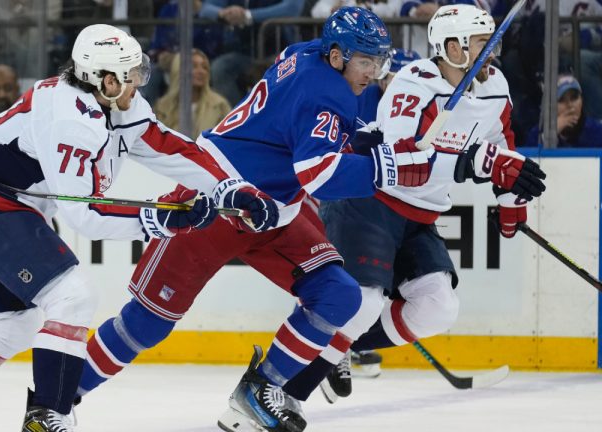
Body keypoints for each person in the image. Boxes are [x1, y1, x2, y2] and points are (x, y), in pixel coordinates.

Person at [0, 24, 274, 432]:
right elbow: (86, 215)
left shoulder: (116, 103)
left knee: (16, 326)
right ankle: (47, 416)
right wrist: (160, 219)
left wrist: (231, 188)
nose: (139, 82)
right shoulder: (72, 122)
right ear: (108, 80)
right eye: (133, 74)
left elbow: (168, 147)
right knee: (73, 296)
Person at [75, 8, 437, 432]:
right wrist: (386, 168)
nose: (374, 72)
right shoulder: (327, 91)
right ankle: (59, 396)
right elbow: (318, 173)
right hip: (216, 199)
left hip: (273, 210)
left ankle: (261, 389)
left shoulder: (306, 54)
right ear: (337, 56)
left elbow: (315, 130)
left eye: (379, 63)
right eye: (366, 62)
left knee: (339, 294)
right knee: (145, 322)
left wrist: (369, 134)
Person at [279, 4, 547, 406]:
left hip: (420, 214)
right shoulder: (415, 83)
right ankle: (286, 392)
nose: (492, 52)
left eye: (494, 42)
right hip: (369, 203)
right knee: (366, 301)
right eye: (481, 44)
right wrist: (478, 162)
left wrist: (511, 201)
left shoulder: (495, 88)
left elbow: (502, 146)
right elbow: (400, 162)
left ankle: (340, 345)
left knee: (438, 307)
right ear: (453, 47)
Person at [154, 49, 233, 138]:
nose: (201, 71)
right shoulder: (162, 107)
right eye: (194, 66)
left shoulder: (220, 105)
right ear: (179, 70)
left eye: (204, 67)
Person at [524, 74, 602, 148]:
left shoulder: (597, 131)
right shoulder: (537, 134)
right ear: (551, 105)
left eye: (574, 98)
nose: (570, 105)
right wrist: (551, 134)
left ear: (582, 100)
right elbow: (529, 158)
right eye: (562, 100)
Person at [357, 47, 421, 124]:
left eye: (412, 81)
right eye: (401, 79)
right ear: (382, 80)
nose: (407, 87)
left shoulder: (429, 103)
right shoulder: (362, 97)